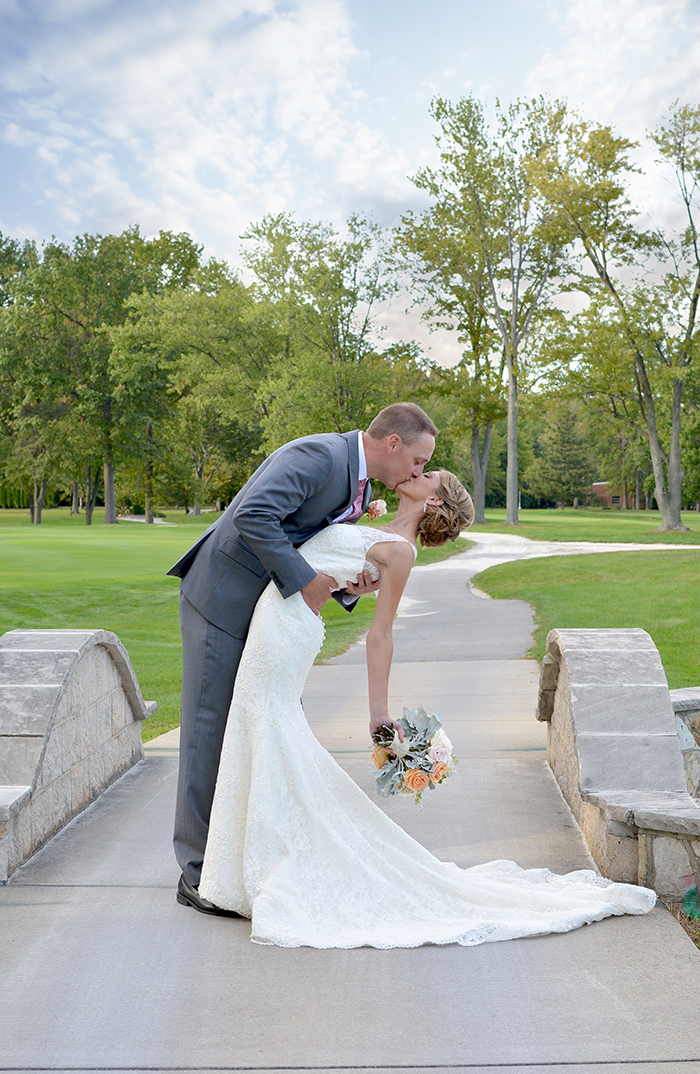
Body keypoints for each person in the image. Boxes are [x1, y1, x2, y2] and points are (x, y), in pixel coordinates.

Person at [197, 469, 657, 949]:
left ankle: (273, 867)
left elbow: (381, 634)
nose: (418, 472)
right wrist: (350, 583)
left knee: (270, 727)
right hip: (278, 616)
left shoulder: (400, 551)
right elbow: (333, 569)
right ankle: (248, 867)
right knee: (261, 727)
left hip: (287, 629)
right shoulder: (376, 521)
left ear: (435, 501)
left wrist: (379, 713)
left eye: (428, 473)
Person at [167, 402, 438, 914]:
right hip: (222, 599)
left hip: (267, 611)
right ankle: (198, 873)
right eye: (419, 460)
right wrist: (306, 581)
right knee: (210, 727)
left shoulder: (359, 488)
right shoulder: (320, 456)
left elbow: (309, 542)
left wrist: (346, 587)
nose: (417, 472)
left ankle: (233, 858)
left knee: (247, 729)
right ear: (393, 443)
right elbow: (253, 515)